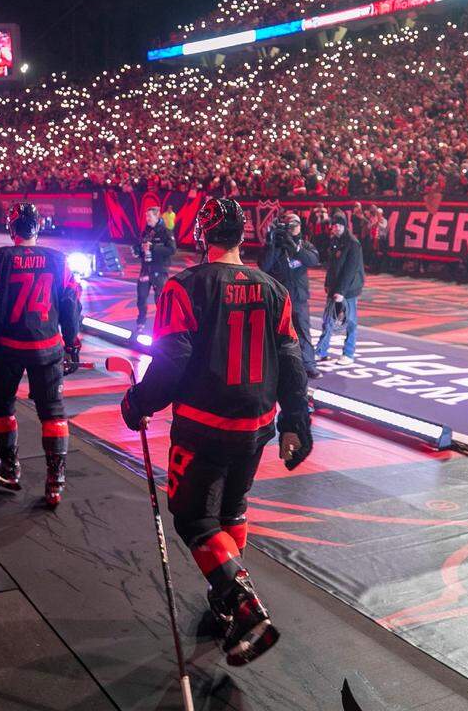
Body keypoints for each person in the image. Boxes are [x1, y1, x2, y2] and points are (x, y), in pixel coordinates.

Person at [118, 197, 312, 666]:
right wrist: (295, 424)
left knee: (193, 517)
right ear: (244, 236)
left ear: (203, 236)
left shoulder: (184, 286)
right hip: (256, 425)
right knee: (231, 509)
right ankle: (223, 605)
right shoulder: (274, 289)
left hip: (204, 423)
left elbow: (172, 359)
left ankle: (245, 607)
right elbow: (291, 360)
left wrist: (139, 402)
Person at [0, 203, 83, 506]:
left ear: (11, 228)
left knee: (1, 406)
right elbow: (70, 304)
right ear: (37, 227)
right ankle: (55, 481)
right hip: (47, 345)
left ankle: (10, 468)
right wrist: (72, 343)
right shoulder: (59, 259)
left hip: (7, 346)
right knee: (53, 411)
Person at [258, 213, 322, 379]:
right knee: (275, 334)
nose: (293, 229)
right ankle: (274, 366)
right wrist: (271, 243)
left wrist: (295, 248)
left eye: (296, 225)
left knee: (303, 332)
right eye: (289, 226)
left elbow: (313, 260)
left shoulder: (304, 245)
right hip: (280, 299)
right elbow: (264, 265)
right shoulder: (276, 247)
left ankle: (308, 365)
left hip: (299, 299)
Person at [315, 213, 364, 365]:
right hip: (335, 287)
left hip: (349, 290)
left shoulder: (353, 244)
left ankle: (348, 353)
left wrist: (341, 292)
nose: (334, 228)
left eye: (337, 225)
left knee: (350, 321)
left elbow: (350, 270)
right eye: (333, 225)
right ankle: (321, 351)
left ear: (344, 225)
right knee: (328, 320)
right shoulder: (334, 241)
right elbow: (332, 267)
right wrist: (328, 284)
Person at [132, 205, 176, 335]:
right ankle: (140, 323)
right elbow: (141, 247)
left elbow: (172, 250)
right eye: (146, 216)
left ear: (157, 217)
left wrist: (153, 248)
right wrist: (138, 251)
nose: (147, 218)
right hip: (145, 270)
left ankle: (164, 327)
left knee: (160, 300)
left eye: (149, 216)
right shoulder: (145, 231)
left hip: (159, 270)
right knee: (141, 297)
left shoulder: (166, 232)